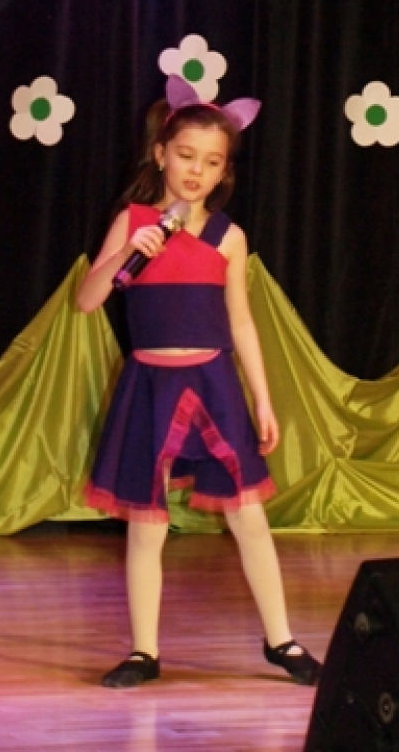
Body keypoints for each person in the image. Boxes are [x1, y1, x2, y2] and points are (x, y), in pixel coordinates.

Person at [77, 81, 322, 690]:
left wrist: (262, 398)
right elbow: (87, 301)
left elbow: (241, 321)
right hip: (149, 384)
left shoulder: (228, 237)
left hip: (212, 382)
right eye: (186, 155)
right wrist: (126, 253)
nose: (197, 171)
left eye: (212, 162)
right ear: (161, 153)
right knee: (147, 521)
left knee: (247, 515)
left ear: (224, 172)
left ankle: (281, 640)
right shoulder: (133, 223)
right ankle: (144, 651)